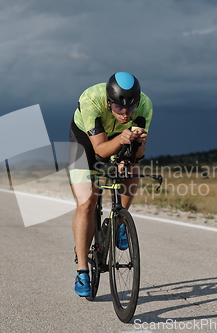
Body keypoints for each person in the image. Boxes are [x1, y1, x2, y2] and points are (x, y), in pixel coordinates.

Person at [69, 72, 153, 296]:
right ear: (109, 103)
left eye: (130, 109)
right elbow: (101, 151)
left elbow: (139, 154)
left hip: (120, 137)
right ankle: (82, 271)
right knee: (87, 203)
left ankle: (120, 220)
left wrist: (136, 148)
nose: (125, 114)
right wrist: (121, 140)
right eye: (118, 109)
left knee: (131, 168)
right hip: (86, 142)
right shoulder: (91, 101)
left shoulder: (145, 105)